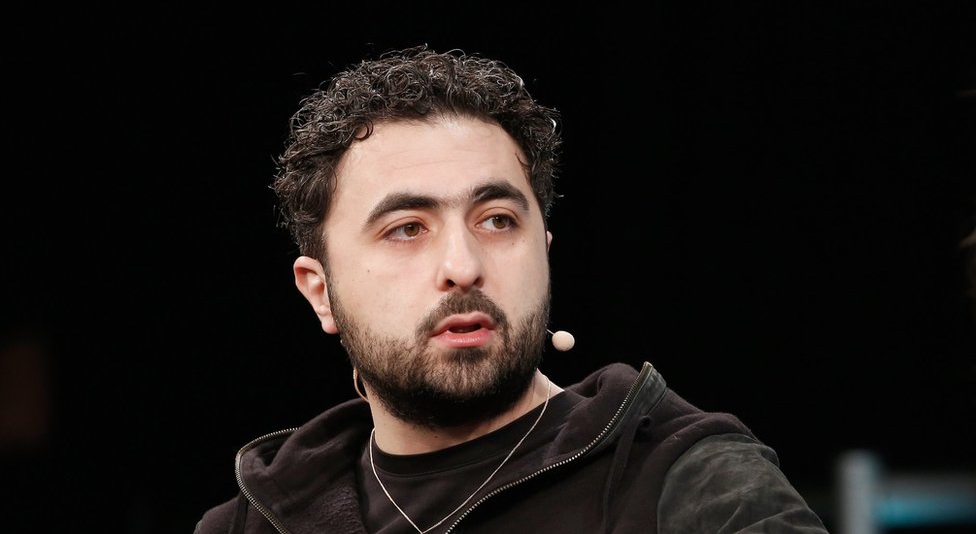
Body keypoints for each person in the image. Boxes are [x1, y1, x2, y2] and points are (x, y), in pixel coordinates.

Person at [195, 44, 829, 533]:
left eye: (497, 221)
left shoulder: (691, 487)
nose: (463, 266)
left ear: (544, 252)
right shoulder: (253, 523)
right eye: (407, 228)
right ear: (320, 291)